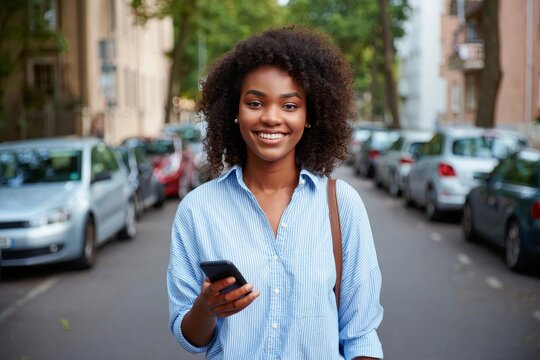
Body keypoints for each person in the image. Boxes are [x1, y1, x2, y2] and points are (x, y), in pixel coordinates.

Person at [167, 26, 384, 359]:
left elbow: (361, 335)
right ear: (234, 112)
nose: (270, 118)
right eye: (255, 103)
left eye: (289, 106)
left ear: (309, 115)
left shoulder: (342, 205)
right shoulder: (198, 209)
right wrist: (207, 307)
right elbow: (191, 337)